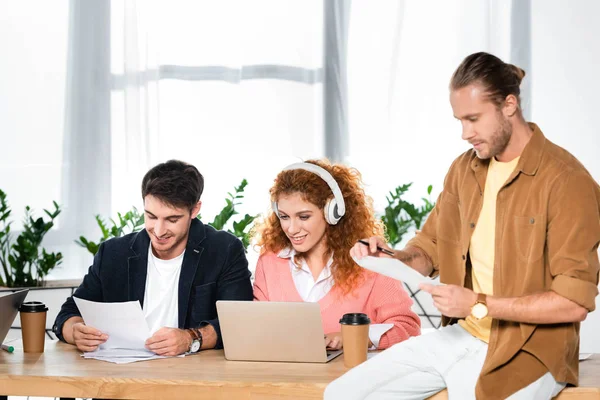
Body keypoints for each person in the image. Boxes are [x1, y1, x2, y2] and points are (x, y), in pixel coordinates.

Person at [325, 52, 600, 399]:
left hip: (530, 349)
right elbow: (429, 249)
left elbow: (573, 303)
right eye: (459, 120)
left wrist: (476, 303)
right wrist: (389, 257)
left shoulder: (567, 181)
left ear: (510, 105)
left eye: (473, 119)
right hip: (461, 335)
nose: (464, 133)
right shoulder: (463, 170)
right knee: (343, 395)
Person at [53, 160, 253, 356]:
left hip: (192, 375)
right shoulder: (114, 253)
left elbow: (238, 322)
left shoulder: (224, 250)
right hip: (122, 376)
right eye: (151, 216)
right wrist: (75, 331)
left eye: (172, 219)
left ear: (195, 210)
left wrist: (191, 338)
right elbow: (68, 313)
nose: (158, 231)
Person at [252, 160, 421, 350]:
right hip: (283, 378)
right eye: (284, 217)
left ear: (332, 212)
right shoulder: (270, 262)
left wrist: (353, 337)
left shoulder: (369, 262)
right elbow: (257, 328)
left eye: (304, 217)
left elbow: (407, 328)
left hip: (350, 378)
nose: (291, 229)